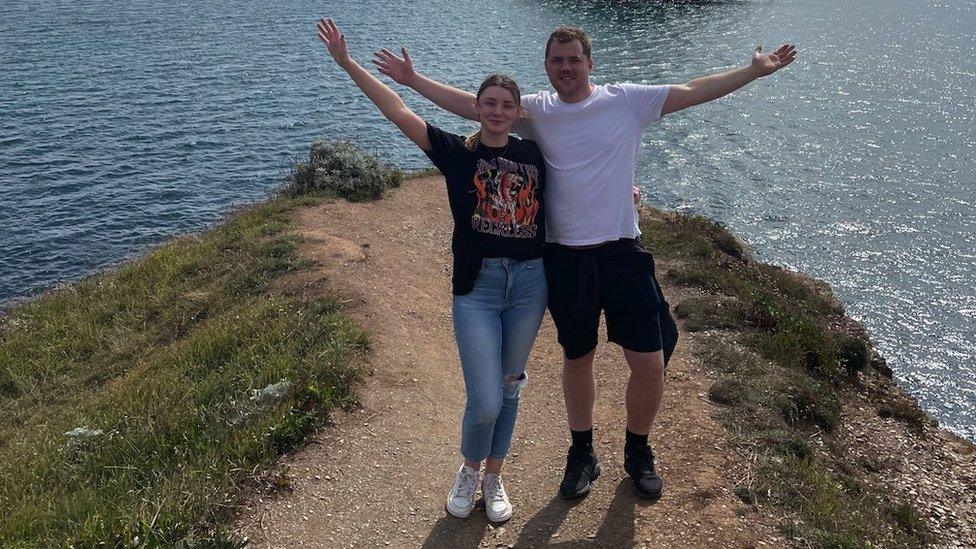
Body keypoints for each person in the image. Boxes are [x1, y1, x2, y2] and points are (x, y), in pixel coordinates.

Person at [372, 27, 796, 500]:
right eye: (557, 60)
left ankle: (637, 449)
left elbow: (693, 90)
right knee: (578, 359)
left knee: (650, 364)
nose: (565, 68)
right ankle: (582, 452)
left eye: (574, 59)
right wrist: (414, 80)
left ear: (590, 63)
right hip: (565, 257)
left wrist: (752, 73)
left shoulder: (626, 101)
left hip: (621, 251)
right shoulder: (535, 110)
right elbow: (475, 106)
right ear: (547, 66)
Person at [317, 19, 548, 522]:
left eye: (507, 105)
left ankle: (494, 476)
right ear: (476, 107)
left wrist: (628, 198)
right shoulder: (455, 153)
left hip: (531, 284)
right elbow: (395, 109)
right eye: (489, 103)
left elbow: (585, 174)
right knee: (485, 397)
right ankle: (468, 469)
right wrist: (347, 64)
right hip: (478, 288)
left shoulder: (535, 153)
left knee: (510, 385)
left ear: (516, 113)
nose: (497, 111)